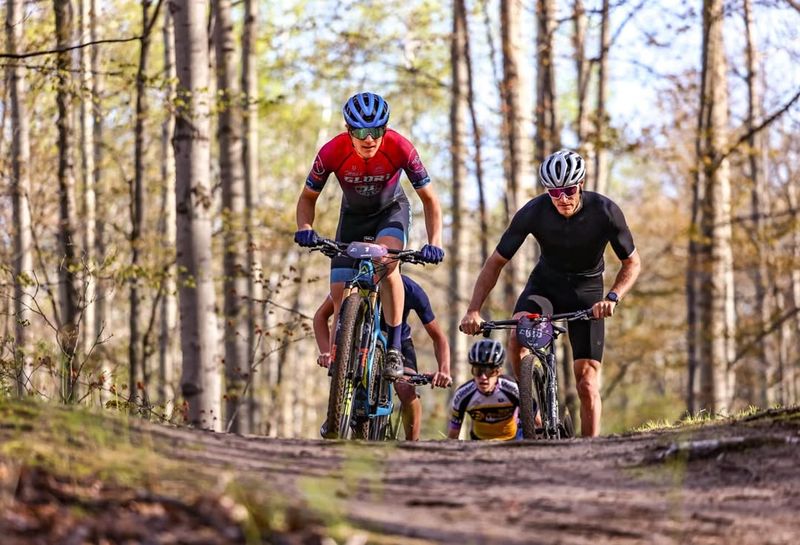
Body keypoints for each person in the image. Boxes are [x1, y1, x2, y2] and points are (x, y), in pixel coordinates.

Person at [459, 149, 641, 437]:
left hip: (587, 292)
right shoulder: (534, 211)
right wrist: (473, 309)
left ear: (581, 185)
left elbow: (632, 263)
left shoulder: (605, 211)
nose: (562, 198)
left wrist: (612, 297)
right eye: (554, 192)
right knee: (517, 336)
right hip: (545, 286)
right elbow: (496, 262)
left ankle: (590, 449)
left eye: (569, 190)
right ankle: (532, 412)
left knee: (587, 381)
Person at [295, 92, 444, 382]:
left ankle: (394, 348)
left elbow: (430, 200)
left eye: (376, 131)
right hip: (352, 218)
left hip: (391, 212)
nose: (369, 139)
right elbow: (307, 198)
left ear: (385, 129)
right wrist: (305, 227)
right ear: (348, 130)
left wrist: (435, 242)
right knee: (339, 293)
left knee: (386, 263)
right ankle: (341, 372)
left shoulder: (401, 147)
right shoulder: (331, 151)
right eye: (361, 132)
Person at [313, 274, 452, 440]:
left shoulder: (410, 289)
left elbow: (439, 337)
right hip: (359, 342)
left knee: (405, 388)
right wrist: (327, 352)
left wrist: (444, 370)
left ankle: (412, 443)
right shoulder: (355, 283)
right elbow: (320, 316)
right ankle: (338, 415)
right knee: (344, 372)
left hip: (400, 343)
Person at [447, 339, 522, 441]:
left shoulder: (513, 388)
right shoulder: (462, 394)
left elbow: (536, 418)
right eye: (478, 371)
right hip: (479, 441)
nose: (483, 377)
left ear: (499, 372)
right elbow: (453, 434)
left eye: (489, 371)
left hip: (513, 439)